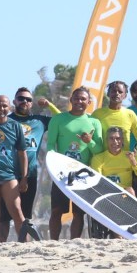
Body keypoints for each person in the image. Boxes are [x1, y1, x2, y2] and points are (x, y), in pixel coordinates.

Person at [0, 87, 60, 240]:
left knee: (26, 216)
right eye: (21, 98)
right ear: (14, 101)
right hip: (7, 173)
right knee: (4, 216)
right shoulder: (6, 120)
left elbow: (62, 119)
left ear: (32, 104)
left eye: (28, 99)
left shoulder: (40, 121)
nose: (24, 101)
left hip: (29, 174)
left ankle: (24, 246)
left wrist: (49, 106)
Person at [46, 86, 103, 239]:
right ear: (71, 100)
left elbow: (99, 151)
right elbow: (50, 145)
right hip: (62, 172)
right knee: (57, 210)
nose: (79, 101)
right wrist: (54, 165)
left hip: (83, 173)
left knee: (79, 213)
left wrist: (89, 142)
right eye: (76, 98)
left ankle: (74, 241)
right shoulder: (58, 119)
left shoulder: (94, 122)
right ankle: (53, 242)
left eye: (83, 99)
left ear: (89, 102)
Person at [0, 95, 29, 243]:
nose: (1, 109)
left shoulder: (15, 126)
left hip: (9, 176)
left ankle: (26, 245)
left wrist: (24, 177)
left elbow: (22, 153)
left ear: (10, 108)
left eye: (4, 106)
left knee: (17, 211)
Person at [92, 80, 137, 160]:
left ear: (125, 96)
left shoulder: (130, 114)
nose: (116, 94)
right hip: (102, 163)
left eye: (120, 92)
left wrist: (136, 157)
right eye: (113, 91)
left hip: (124, 165)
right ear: (108, 93)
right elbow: (90, 139)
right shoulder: (97, 114)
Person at [91, 126, 137, 195]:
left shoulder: (131, 157)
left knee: (130, 191)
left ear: (122, 140)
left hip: (125, 194)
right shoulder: (98, 158)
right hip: (106, 193)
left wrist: (134, 162)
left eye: (118, 138)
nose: (115, 142)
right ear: (106, 140)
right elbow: (97, 182)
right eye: (111, 138)